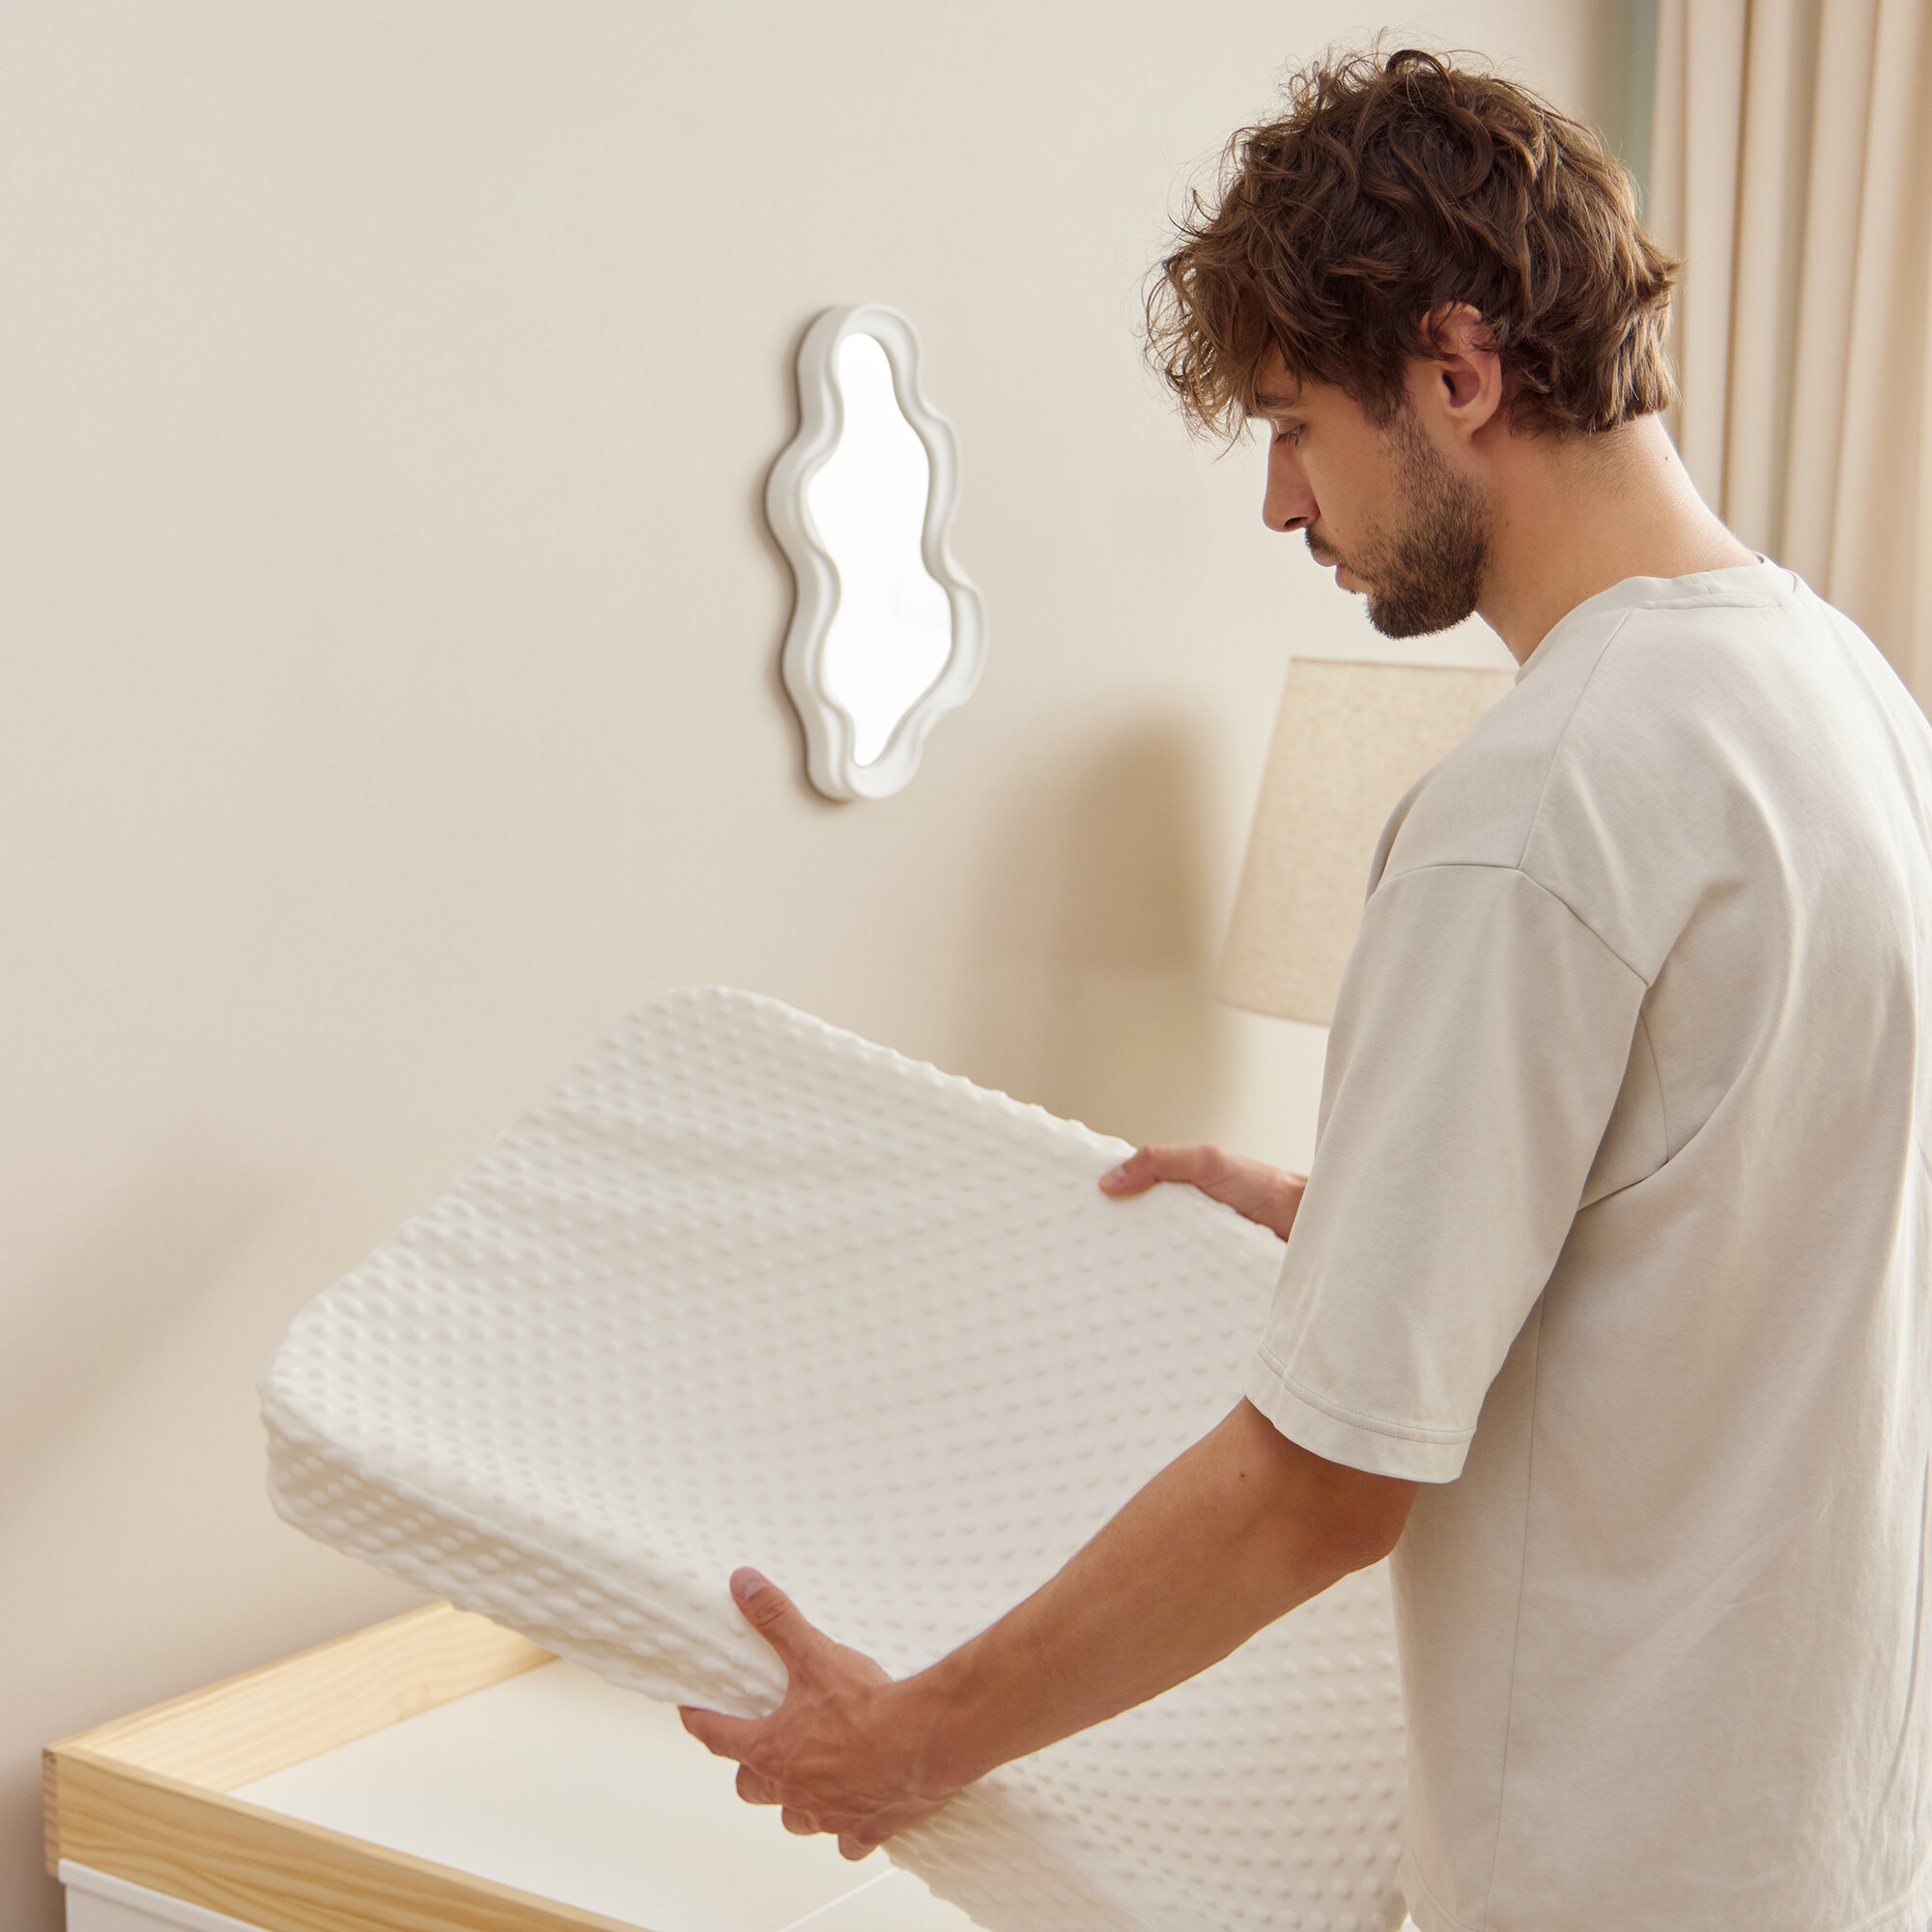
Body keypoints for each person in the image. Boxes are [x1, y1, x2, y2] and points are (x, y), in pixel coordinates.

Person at [683, 45, 1932, 1930]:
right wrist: (1351, 1220)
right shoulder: (1844, 695)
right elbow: (1761, 1202)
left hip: (1613, 1876)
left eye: (1293, 425)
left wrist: (912, 1737)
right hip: (1835, 1852)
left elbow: (1315, 1493)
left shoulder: (1536, 805)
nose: (1280, 503)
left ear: (1456, 369)